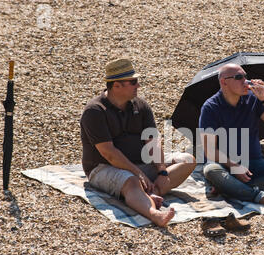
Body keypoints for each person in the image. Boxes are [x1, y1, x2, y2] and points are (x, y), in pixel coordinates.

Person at [80, 58, 196, 227]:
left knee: (188, 160)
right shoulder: (95, 111)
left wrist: (162, 171)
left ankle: (147, 195)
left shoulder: (140, 106)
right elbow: (109, 153)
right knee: (131, 181)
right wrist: (138, 174)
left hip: (141, 162)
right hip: (104, 167)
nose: (138, 86)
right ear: (116, 85)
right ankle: (154, 214)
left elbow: (153, 142)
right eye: (133, 82)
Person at [199, 63, 264, 223]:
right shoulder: (211, 107)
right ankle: (260, 197)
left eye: (245, 76)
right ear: (224, 82)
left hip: (252, 163)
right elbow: (210, 150)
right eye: (239, 77)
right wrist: (234, 167)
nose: (246, 81)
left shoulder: (252, 99)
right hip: (224, 165)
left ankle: (231, 189)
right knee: (211, 170)